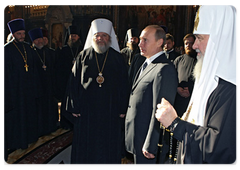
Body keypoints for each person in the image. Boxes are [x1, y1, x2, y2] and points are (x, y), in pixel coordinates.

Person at [155, 3, 237, 165]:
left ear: (220, 38)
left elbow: (220, 147)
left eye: (200, 38)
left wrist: (175, 123)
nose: (194, 46)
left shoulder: (231, 87)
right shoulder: (207, 77)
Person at [63, 18, 129, 164]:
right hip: (87, 111)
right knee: (87, 145)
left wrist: (122, 107)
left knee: (108, 145)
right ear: (92, 38)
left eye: (104, 36)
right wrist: (74, 106)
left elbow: (124, 85)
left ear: (109, 38)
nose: (100, 39)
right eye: (97, 36)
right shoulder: (82, 56)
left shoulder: (118, 58)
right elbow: (73, 82)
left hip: (110, 110)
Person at [125, 25, 178, 164]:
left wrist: (151, 143)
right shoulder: (145, 63)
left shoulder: (164, 69)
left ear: (160, 42)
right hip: (138, 136)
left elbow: (160, 111)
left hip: (147, 142)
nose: (140, 44)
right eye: (140, 40)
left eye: (145, 40)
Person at [2, 19, 41, 162]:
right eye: (19, 34)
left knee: (29, 114)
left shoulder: (27, 47)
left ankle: (30, 137)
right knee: (17, 117)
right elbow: (5, 74)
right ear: (13, 34)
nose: (22, 36)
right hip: (15, 91)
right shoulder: (5, 50)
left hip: (28, 90)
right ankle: (17, 142)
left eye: (23, 33)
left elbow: (34, 69)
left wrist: (35, 88)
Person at [28, 28, 58, 137]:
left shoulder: (49, 52)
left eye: (40, 39)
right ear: (33, 41)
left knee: (50, 107)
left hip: (49, 85)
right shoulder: (30, 54)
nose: (39, 41)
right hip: (37, 86)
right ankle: (40, 129)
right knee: (39, 109)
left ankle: (51, 126)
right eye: (36, 40)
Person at [55, 25, 84, 129]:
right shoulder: (64, 50)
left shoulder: (83, 50)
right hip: (66, 81)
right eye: (71, 35)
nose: (73, 38)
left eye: (75, 36)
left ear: (79, 37)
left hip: (79, 82)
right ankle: (65, 123)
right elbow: (59, 68)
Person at [173, 33, 197, 118]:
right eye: (186, 43)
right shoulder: (178, 60)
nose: (188, 45)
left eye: (191, 43)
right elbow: (172, 78)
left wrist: (190, 90)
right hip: (178, 98)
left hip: (193, 99)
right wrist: (178, 89)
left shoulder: (201, 60)